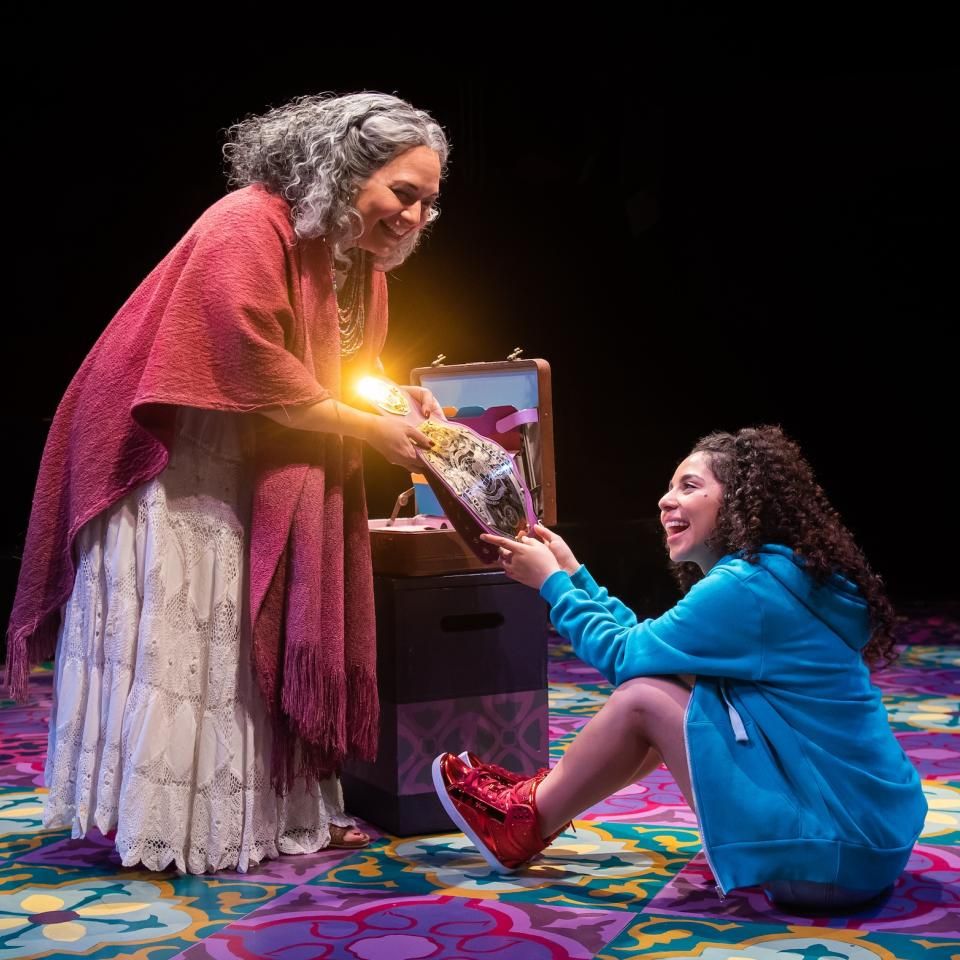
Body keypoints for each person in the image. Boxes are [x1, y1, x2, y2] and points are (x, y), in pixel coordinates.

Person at [6, 91, 449, 873]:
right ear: (345, 170)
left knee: (239, 644)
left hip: (251, 452)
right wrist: (367, 427)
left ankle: (260, 815)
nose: (414, 216)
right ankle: (169, 825)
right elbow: (249, 357)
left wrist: (389, 393)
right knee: (191, 638)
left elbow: (337, 365)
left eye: (429, 202)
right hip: (175, 456)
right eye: (402, 193)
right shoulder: (247, 221)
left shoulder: (353, 258)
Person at [433, 425, 926, 912]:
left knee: (643, 698)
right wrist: (573, 574)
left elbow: (626, 659)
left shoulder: (748, 589)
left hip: (827, 864)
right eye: (669, 487)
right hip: (866, 844)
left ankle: (519, 822)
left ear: (737, 502)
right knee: (668, 681)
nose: (666, 500)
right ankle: (532, 808)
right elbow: (652, 649)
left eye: (689, 486)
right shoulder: (783, 575)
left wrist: (552, 587)